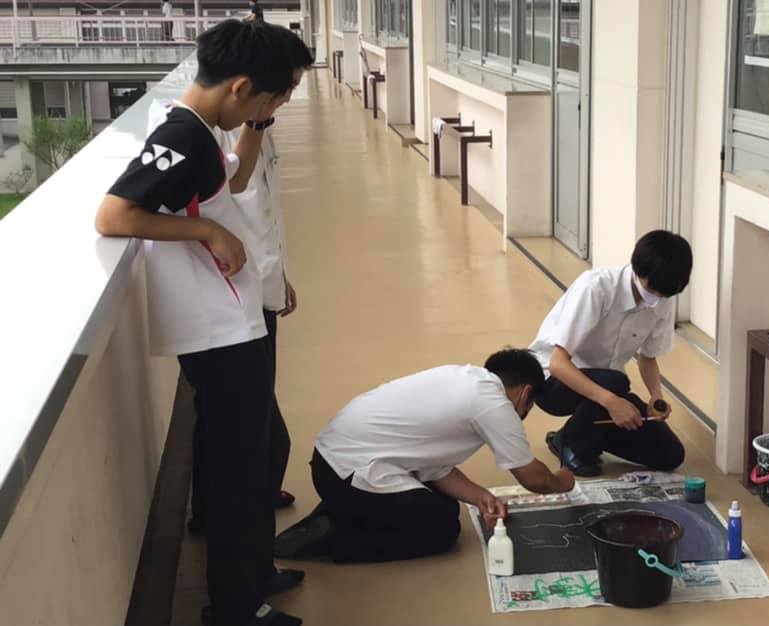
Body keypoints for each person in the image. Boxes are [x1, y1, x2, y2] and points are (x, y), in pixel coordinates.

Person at [95, 20, 302, 626]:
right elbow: (113, 215)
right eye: (270, 98)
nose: (272, 109)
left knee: (254, 452)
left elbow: (230, 179)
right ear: (239, 86)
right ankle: (237, 607)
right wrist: (208, 230)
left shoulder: (205, 132)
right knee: (240, 468)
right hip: (218, 331)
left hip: (234, 319)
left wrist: (256, 130)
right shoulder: (181, 135)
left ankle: (253, 572)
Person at [184, 25, 315, 535]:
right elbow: (229, 206)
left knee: (256, 424)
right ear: (245, 86)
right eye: (282, 91)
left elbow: (258, 207)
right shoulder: (202, 132)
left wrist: (278, 278)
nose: (285, 100)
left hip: (256, 287)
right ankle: (230, 517)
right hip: (233, 298)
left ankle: (239, 505)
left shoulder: (251, 124)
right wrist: (213, 236)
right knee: (251, 429)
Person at [274, 349, 576, 563]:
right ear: (525, 393)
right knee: (441, 530)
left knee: (442, 504)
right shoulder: (495, 405)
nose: (524, 414)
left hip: (332, 461)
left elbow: (433, 466)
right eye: (529, 407)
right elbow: (535, 480)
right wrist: (563, 481)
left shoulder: (460, 377)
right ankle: (338, 539)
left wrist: (481, 496)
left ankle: (339, 512)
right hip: (349, 473)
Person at [528, 230, 692, 477]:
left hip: (605, 387)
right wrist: (612, 402)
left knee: (670, 455)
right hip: (552, 381)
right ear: (637, 268)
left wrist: (656, 398)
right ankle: (571, 443)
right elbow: (558, 364)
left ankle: (587, 433)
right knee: (616, 382)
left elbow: (648, 357)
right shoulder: (597, 287)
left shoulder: (661, 299)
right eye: (653, 289)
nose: (656, 299)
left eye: (664, 294)